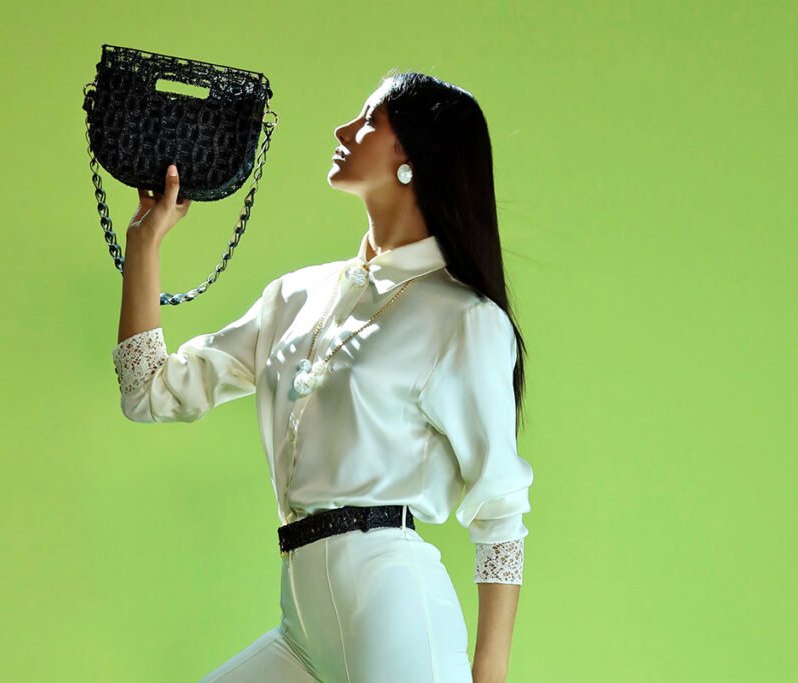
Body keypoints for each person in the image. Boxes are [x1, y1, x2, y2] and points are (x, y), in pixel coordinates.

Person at [112, 71, 534, 683]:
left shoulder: (463, 318)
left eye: (369, 121)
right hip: (302, 622)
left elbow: (499, 511)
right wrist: (144, 244)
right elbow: (147, 393)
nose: (343, 130)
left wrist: (488, 672)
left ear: (411, 157)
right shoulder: (296, 295)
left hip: (393, 610)